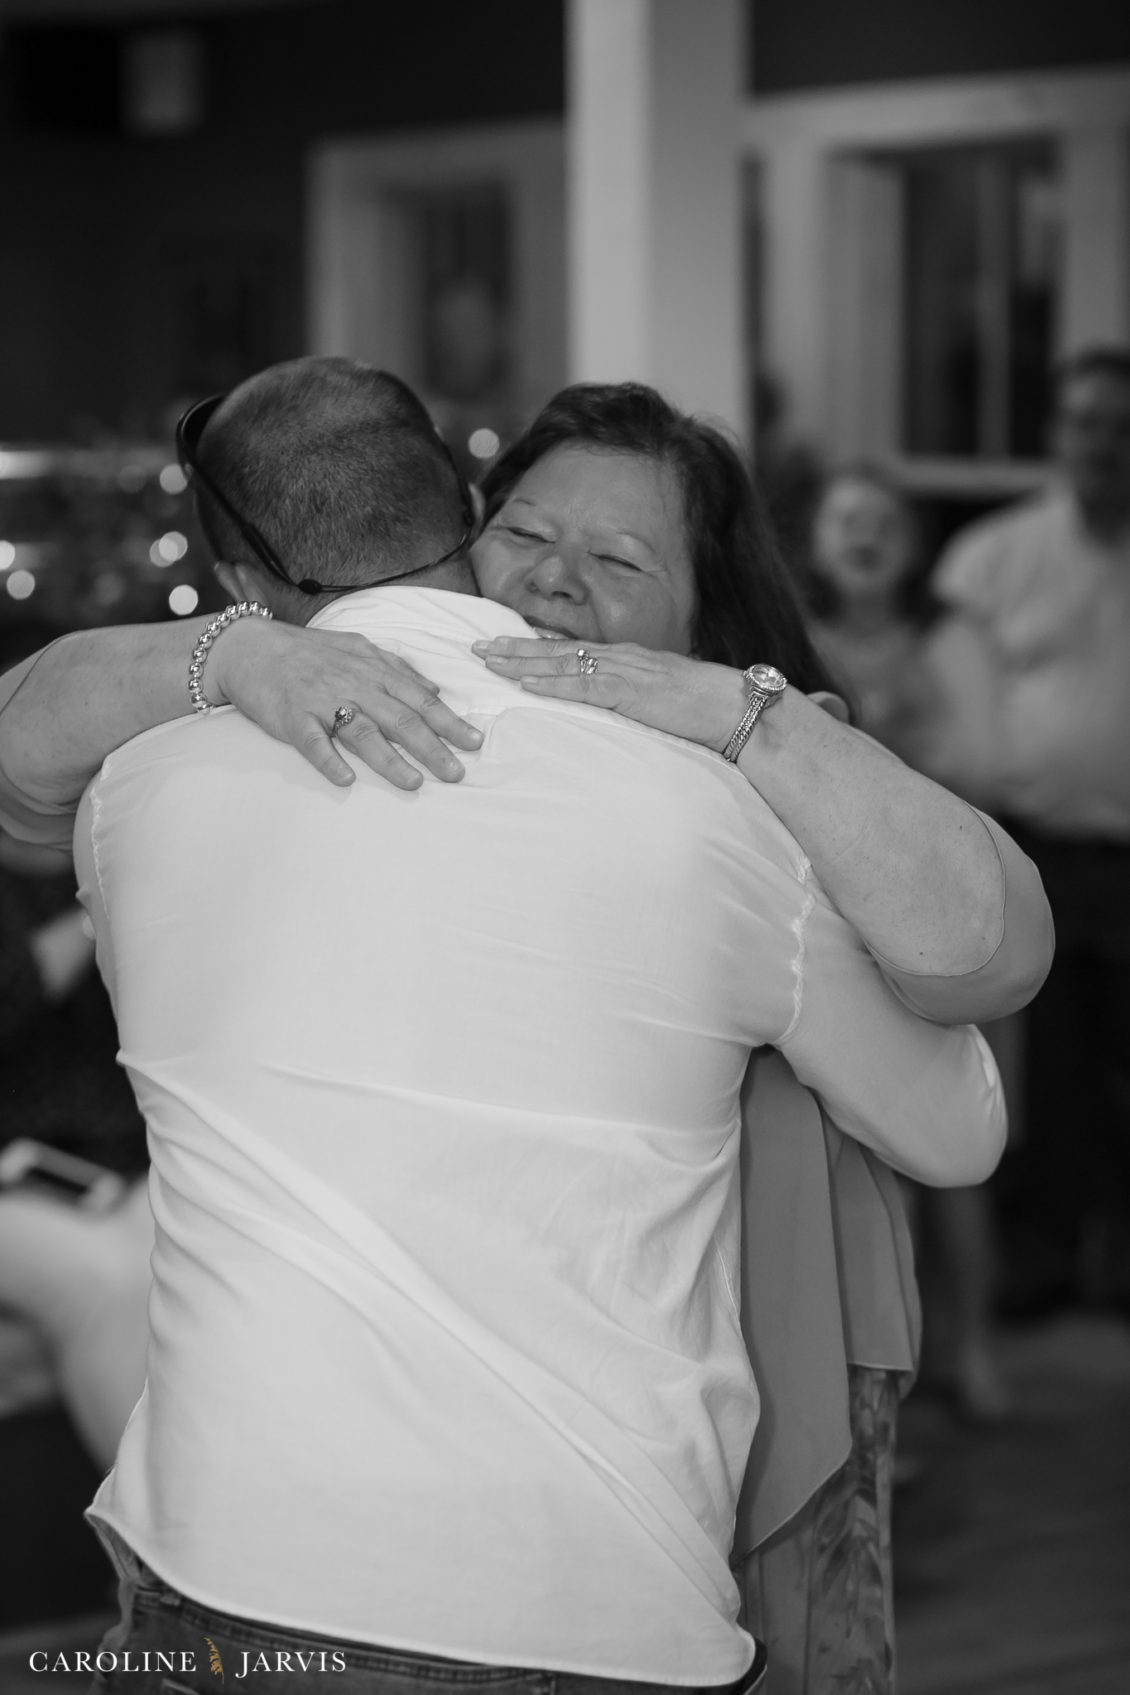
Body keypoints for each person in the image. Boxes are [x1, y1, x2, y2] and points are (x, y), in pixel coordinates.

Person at [0, 367, 1047, 1695]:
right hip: (581, 1604)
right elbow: (959, 1122)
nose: (556, 585)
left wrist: (766, 746)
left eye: (616, 558)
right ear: (463, 509)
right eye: (533, 536)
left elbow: (20, 769)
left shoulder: (137, 788)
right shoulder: (710, 824)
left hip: (233, 1588)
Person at [804, 463, 1013, 1425]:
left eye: (883, 521)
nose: (864, 535)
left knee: (959, 1144)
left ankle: (973, 1344)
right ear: (818, 540)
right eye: (848, 517)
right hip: (839, 929)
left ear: (914, 547)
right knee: (858, 1150)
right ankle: (886, 1367)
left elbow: (979, 769)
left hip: (943, 925)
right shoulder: (793, 642)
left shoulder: (950, 647)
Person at [930, 346, 1130, 1320]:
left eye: (1118, 426)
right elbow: (951, 713)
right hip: (1036, 852)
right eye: (1085, 422)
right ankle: (1044, 1258)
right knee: (1042, 1074)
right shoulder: (991, 559)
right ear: (1057, 435)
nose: (1102, 443)